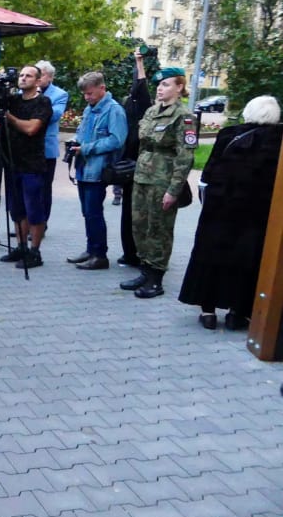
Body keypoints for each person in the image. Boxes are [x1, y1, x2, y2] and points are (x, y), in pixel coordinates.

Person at [179, 96, 283, 329]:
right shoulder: (279, 140)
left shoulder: (229, 134)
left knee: (211, 255)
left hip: (220, 208)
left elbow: (209, 172)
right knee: (247, 260)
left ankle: (208, 311)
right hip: (257, 213)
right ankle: (238, 312)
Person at [119, 67, 195, 298]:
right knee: (140, 225)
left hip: (163, 180)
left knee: (159, 228)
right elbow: (142, 144)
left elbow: (185, 156)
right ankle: (145, 269)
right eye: (159, 85)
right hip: (142, 176)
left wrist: (174, 190)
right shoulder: (152, 111)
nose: (160, 89)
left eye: (166, 84)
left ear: (179, 87)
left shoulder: (184, 116)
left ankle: (156, 278)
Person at [65, 72, 127, 270]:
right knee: (87, 212)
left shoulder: (114, 110)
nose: (87, 97)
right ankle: (91, 250)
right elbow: (82, 132)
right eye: (85, 94)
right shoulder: (90, 108)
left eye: (90, 93)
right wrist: (75, 142)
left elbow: (117, 140)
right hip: (84, 167)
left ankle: (100, 255)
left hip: (99, 170)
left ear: (102, 88)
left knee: (94, 213)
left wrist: (87, 148)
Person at [0, 65, 53, 269]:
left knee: (33, 210)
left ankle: (35, 251)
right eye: (21, 75)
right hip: (12, 162)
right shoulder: (13, 100)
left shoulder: (43, 102)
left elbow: (32, 128)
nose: (22, 78)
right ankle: (21, 247)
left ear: (38, 81)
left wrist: (9, 117)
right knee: (17, 209)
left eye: (28, 76)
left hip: (33, 164)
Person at [118, 48, 153, 267]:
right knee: (128, 213)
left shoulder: (146, 108)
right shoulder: (130, 104)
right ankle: (130, 253)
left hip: (142, 166)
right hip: (129, 163)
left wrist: (139, 63)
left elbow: (141, 89)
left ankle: (140, 254)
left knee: (139, 215)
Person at [35, 61, 69, 222]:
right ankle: (25, 222)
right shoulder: (24, 91)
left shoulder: (59, 94)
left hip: (45, 149)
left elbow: (53, 115)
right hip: (25, 148)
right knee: (27, 186)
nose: (37, 77)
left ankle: (41, 223)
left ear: (50, 77)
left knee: (43, 188)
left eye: (41, 74)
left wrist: (34, 101)